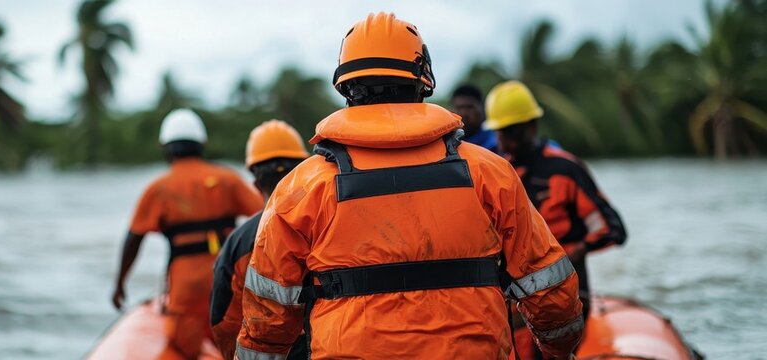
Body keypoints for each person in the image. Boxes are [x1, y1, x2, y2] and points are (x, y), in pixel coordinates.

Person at [237, 13, 583, 359]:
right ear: (423, 81)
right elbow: (552, 293)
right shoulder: (489, 172)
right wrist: (558, 350)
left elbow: (267, 318)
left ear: (346, 87)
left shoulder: (302, 186)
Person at [111, 109, 263, 360]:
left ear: (166, 148)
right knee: (234, 345)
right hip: (229, 281)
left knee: (185, 350)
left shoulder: (158, 188)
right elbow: (268, 216)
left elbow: (134, 238)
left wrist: (119, 285)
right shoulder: (227, 179)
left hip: (186, 291)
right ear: (202, 144)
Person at [485, 80, 628, 322]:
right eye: (501, 132)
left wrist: (575, 253)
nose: (506, 139)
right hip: (518, 300)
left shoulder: (565, 169)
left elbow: (613, 229)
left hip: (568, 295)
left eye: (512, 130)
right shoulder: (497, 173)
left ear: (532, 126)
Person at [210, 120, 310, 360]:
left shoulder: (239, 241)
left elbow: (224, 322)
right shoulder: (329, 220)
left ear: (256, 183)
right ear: (304, 170)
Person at [451, 84, 498, 151]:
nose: (464, 113)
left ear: (482, 108)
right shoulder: (447, 145)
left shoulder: (496, 145)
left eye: (470, 107)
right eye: (459, 108)